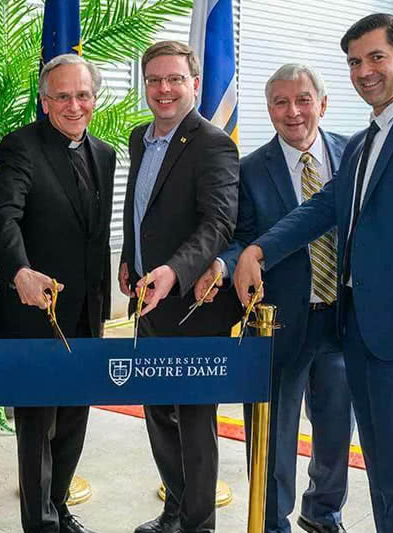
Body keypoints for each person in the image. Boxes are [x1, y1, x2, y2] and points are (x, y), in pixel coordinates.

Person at [233, 14, 393, 533]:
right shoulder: (362, 142)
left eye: (377, 57)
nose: (365, 70)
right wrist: (257, 252)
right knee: (380, 469)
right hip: (358, 331)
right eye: (355, 61)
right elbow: (319, 209)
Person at [197, 64, 352, 533]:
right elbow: (240, 237)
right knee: (272, 435)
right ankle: (271, 520)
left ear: (322, 104)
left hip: (344, 319)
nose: (293, 111)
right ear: (268, 110)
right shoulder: (247, 170)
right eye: (280, 102)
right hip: (278, 321)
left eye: (303, 99)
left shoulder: (356, 155)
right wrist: (224, 264)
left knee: (335, 431)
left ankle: (323, 512)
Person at [0, 54, 115, 533]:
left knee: (75, 420)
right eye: (62, 95)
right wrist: (18, 269)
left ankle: (59, 506)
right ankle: (39, 522)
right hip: (35, 311)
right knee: (38, 426)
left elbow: (95, 235)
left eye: (82, 95)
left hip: (88, 313)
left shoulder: (104, 153)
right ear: (44, 101)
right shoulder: (20, 146)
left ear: (94, 99)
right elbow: (4, 217)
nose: (74, 104)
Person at [119, 41, 239, 533]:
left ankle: (198, 524)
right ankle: (174, 511)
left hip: (193, 307)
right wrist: (130, 254)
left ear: (194, 83)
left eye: (174, 79)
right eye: (154, 80)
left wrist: (173, 270)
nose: (163, 89)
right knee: (157, 415)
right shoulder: (137, 137)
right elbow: (141, 209)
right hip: (147, 306)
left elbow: (218, 225)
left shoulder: (213, 143)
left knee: (193, 425)